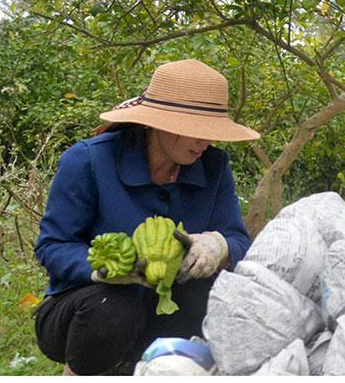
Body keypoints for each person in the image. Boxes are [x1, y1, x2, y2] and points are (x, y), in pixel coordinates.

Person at [33, 59, 259, 375]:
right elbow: (53, 246)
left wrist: (217, 246)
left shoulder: (214, 166)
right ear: (158, 123)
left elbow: (237, 239)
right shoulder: (88, 161)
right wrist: (102, 270)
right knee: (113, 307)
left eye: (211, 132)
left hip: (167, 309)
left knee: (207, 292)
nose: (204, 143)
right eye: (195, 131)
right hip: (85, 310)